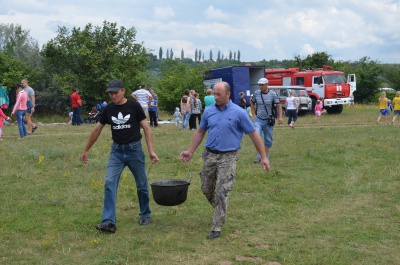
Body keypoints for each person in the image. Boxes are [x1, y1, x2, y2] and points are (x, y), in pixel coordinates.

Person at [180, 81, 270, 239]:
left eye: (218, 94)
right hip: (210, 154)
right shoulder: (209, 111)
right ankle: (220, 209)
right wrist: (190, 151)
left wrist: (263, 157)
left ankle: (217, 226)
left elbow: (254, 134)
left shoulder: (239, 113)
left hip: (228, 156)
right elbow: (200, 132)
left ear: (228, 94)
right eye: (214, 94)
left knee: (222, 190)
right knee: (206, 188)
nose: (215, 97)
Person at [80, 80, 159, 233]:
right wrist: (86, 150)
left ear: (123, 91)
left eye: (115, 92)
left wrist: (151, 151)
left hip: (134, 150)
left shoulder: (134, 106)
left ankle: (145, 214)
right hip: (116, 152)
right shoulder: (108, 109)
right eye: (110, 93)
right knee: (109, 182)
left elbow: (147, 129)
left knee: (142, 184)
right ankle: (108, 221)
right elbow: (97, 130)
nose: (113, 96)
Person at [250, 78, 283, 163]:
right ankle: (259, 155)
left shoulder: (273, 94)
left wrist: (280, 117)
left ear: (266, 84)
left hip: (269, 120)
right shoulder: (256, 93)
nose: (260, 86)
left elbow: (278, 106)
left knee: (268, 139)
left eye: (262, 85)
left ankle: (266, 155)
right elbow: (252, 102)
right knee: (257, 137)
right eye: (259, 85)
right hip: (258, 119)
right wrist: (254, 114)